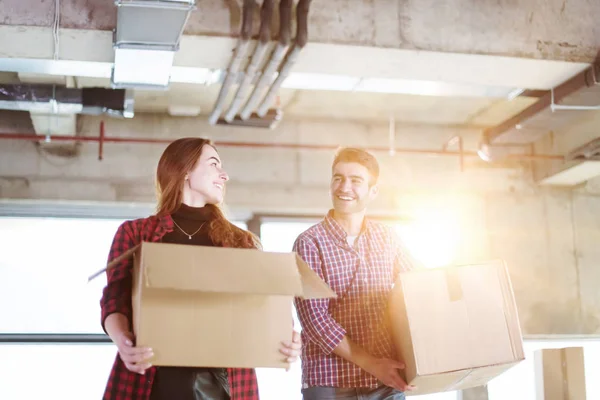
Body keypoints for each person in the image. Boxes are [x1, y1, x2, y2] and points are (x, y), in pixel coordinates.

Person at [100, 137, 301, 400]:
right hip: (152, 379)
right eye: (214, 164)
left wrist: (286, 337)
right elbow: (115, 299)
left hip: (225, 381)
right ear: (184, 170)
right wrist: (124, 342)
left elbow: (260, 308)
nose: (224, 175)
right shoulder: (136, 233)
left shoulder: (241, 242)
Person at [293, 147, 419, 400]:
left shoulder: (388, 238)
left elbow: (420, 289)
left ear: (373, 191)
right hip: (331, 381)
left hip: (384, 383)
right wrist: (373, 364)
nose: (344, 187)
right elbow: (315, 321)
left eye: (355, 180)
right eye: (338, 178)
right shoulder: (309, 243)